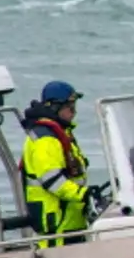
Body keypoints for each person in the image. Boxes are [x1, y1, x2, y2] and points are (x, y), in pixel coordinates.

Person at [20, 80, 106, 245]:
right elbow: (53, 181)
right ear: (54, 107)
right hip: (57, 227)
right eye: (70, 107)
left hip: (71, 221)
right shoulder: (45, 140)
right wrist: (83, 194)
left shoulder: (60, 134)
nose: (74, 112)